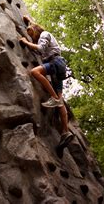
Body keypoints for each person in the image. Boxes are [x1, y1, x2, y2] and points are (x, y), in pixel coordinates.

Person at [19, 16, 73, 148]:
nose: (33, 39)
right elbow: (33, 26)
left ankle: (54, 98)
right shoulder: (43, 34)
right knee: (60, 102)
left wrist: (26, 42)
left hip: (55, 62)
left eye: (33, 35)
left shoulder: (44, 34)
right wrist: (28, 21)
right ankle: (65, 132)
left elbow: (40, 48)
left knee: (34, 72)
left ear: (36, 31)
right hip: (59, 66)